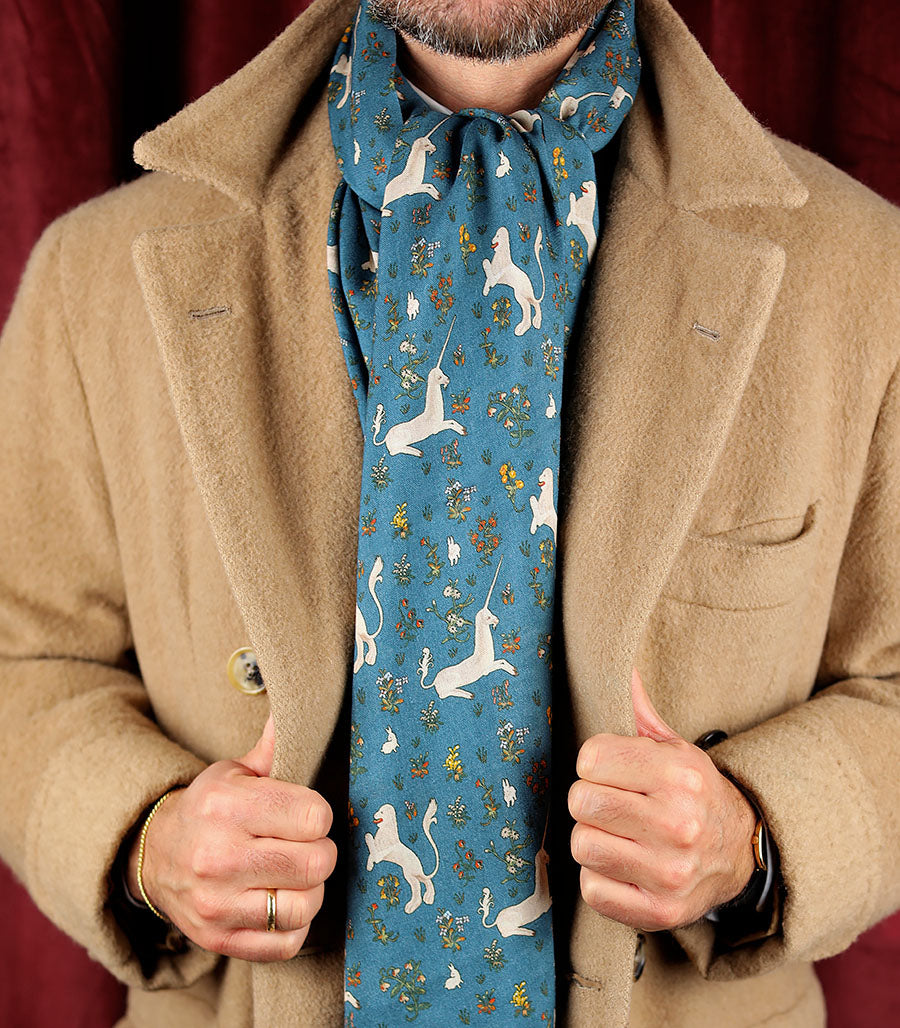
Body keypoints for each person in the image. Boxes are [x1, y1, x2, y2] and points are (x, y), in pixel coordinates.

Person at [0, 0, 897, 1024]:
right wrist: (145, 842)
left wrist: (760, 835)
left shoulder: (865, 277)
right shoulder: (93, 277)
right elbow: (23, 658)